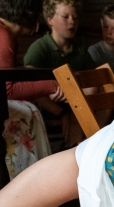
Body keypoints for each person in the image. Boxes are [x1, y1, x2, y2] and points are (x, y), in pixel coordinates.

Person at [0, 0, 66, 207]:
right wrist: (51, 85)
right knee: (28, 113)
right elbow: (6, 89)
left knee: (25, 111)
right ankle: (27, 199)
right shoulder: (1, 35)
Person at [24, 0, 96, 147]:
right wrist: (61, 113)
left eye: (75, 18)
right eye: (65, 17)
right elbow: (30, 87)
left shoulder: (80, 50)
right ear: (50, 20)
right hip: (48, 107)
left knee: (98, 90)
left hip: (77, 106)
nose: (72, 22)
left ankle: (86, 144)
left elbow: (93, 82)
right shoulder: (39, 48)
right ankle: (76, 146)